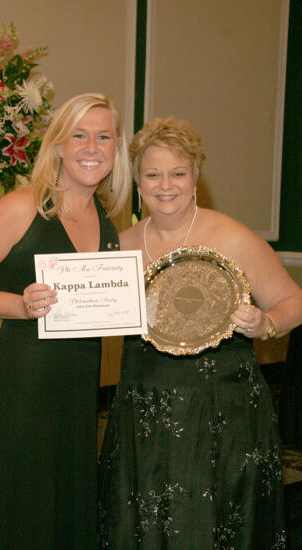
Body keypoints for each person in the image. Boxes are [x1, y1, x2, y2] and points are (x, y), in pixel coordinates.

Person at [0, 92, 131, 550]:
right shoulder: (23, 207)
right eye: (79, 135)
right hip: (22, 392)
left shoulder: (105, 218)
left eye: (103, 136)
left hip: (78, 393)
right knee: (24, 519)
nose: (91, 146)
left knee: (67, 513)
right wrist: (18, 306)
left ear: (116, 148)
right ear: (58, 145)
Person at [98, 116, 302, 549]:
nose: (165, 184)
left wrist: (266, 323)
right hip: (144, 417)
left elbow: (294, 302)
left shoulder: (233, 237)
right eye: (153, 174)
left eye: (178, 172)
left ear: (195, 177)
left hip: (224, 413)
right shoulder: (119, 247)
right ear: (138, 179)